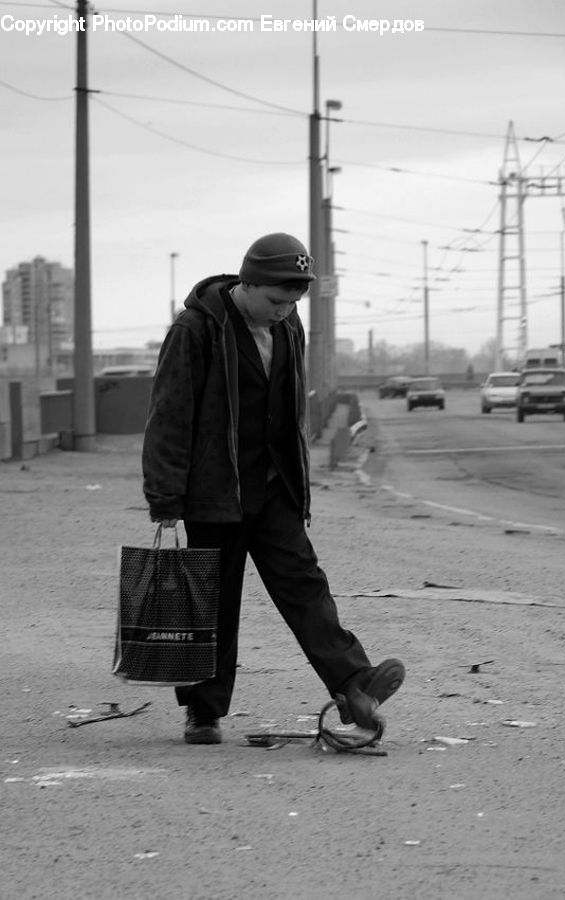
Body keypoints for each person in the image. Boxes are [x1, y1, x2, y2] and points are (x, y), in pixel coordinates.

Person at [142, 232, 405, 744]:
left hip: (274, 487)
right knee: (214, 602)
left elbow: (289, 411)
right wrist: (165, 496)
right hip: (213, 492)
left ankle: (354, 685)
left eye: (294, 302)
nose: (285, 311)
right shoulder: (196, 329)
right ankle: (203, 712)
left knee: (305, 585)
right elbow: (169, 415)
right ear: (247, 283)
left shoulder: (287, 329)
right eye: (276, 300)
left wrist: (300, 482)